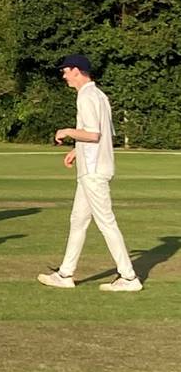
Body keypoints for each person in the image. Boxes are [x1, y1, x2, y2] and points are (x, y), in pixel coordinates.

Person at [38, 55, 142, 292]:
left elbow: (93, 134)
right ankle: (65, 274)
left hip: (94, 170)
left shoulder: (86, 96)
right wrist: (76, 150)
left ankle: (128, 277)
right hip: (92, 168)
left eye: (65, 71)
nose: (63, 76)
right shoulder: (99, 95)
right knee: (78, 220)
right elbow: (103, 133)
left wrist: (67, 132)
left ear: (77, 71)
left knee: (106, 222)